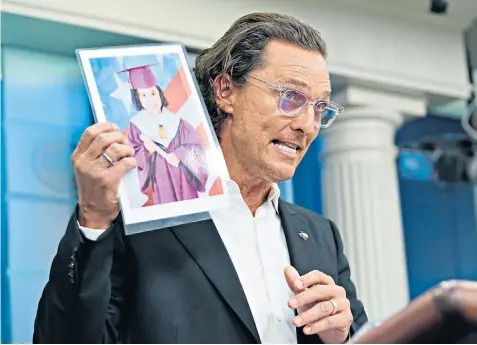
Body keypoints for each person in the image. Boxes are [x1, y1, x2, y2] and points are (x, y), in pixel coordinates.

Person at [33, 12, 368, 344]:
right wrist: (93, 216)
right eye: (291, 97)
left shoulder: (322, 235)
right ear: (225, 91)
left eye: (320, 107)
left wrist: (340, 338)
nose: (308, 125)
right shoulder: (141, 221)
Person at [124, 64, 208, 205]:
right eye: (143, 95)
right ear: (137, 99)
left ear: (159, 93)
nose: (150, 100)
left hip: (183, 178)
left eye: (153, 93)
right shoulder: (136, 126)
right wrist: (146, 151)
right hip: (161, 179)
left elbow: (196, 148)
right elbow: (133, 153)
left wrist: (180, 155)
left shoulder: (179, 123)